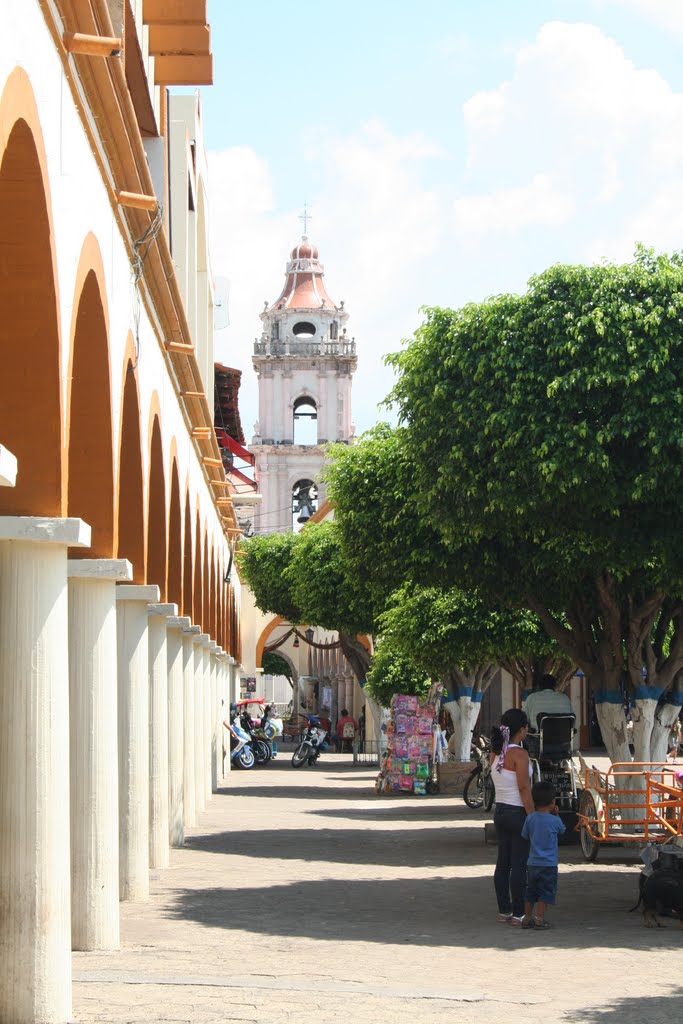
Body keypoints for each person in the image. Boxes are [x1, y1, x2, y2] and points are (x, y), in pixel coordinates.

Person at [490, 708, 535, 925]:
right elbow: (524, 788)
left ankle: (504, 910)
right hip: (518, 812)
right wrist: (533, 816)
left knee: (503, 863)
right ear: (522, 729)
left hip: (500, 811)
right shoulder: (521, 755)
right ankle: (519, 913)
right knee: (519, 864)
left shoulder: (496, 753)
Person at [520, 780, 565, 929]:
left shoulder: (530, 818)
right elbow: (562, 830)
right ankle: (539, 919)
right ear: (553, 802)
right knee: (545, 891)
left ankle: (527, 917)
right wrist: (556, 815)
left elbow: (525, 835)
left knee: (531, 890)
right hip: (549, 864)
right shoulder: (554, 820)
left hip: (532, 862)